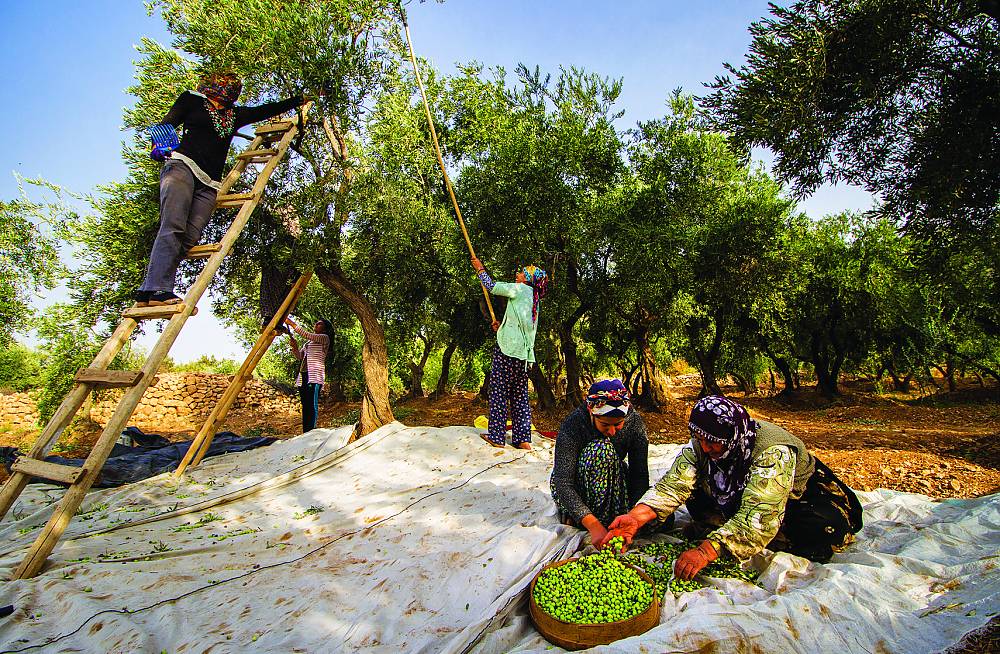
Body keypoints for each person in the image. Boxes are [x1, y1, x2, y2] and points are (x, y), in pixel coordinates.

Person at [598, 395, 863, 577]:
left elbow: (760, 514)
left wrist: (706, 551)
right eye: (700, 439)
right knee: (694, 496)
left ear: (733, 436)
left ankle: (739, 535)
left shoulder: (772, 451)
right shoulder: (702, 445)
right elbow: (672, 487)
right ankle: (732, 531)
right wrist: (635, 518)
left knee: (820, 531)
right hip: (739, 495)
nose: (705, 448)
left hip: (798, 499)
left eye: (713, 442)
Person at [133, 72, 305, 307]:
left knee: (190, 236)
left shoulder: (234, 115)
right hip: (182, 167)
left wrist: (298, 100)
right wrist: (158, 147)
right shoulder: (192, 100)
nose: (229, 91)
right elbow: (166, 124)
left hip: (210, 183)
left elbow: (264, 110)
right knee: (173, 225)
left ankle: (149, 288)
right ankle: (158, 289)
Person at [549, 379, 651, 546]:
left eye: (618, 424)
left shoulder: (634, 423)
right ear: (592, 413)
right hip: (579, 486)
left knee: (662, 519)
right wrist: (593, 525)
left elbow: (639, 475)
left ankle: (611, 519)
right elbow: (563, 482)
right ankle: (585, 516)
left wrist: (633, 516)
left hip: (612, 481)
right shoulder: (574, 424)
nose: (612, 431)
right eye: (605, 425)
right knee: (601, 449)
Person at [471, 256, 548, 450]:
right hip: (523, 355)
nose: (517, 274)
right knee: (519, 395)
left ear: (527, 279)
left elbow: (491, 286)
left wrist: (480, 268)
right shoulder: (534, 299)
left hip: (507, 351)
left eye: (522, 272)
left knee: (499, 391)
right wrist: (502, 327)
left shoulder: (520, 289)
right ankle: (523, 439)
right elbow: (520, 325)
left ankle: (497, 437)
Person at [284, 316, 332, 433]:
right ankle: (306, 431)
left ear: (325, 329)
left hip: (314, 376)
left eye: (320, 324)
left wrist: (291, 323)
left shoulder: (324, 338)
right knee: (305, 405)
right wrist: (295, 347)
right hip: (304, 375)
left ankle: (312, 431)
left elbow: (306, 334)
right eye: (316, 323)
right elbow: (300, 356)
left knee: (311, 404)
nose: (316, 324)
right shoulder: (308, 343)